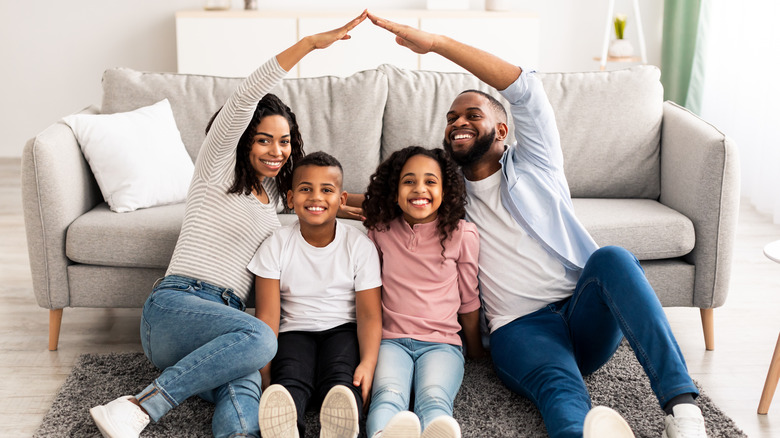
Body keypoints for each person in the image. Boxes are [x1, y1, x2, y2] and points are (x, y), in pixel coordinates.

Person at [367, 12, 708, 438]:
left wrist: (436, 43)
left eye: (471, 114)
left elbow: (524, 87)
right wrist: (333, 201)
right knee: (562, 392)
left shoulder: (537, 162)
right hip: (520, 328)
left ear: (503, 130)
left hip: (582, 309)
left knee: (614, 259)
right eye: (451, 119)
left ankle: (682, 410)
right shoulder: (444, 197)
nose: (458, 123)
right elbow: (396, 204)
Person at [88, 12, 368, 438]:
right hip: (175, 309)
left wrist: (409, 203)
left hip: (227, 329)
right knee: (263, 340)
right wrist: (309, 44)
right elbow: (245, 97)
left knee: (244, 392)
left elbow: (331, 202)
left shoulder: (276, 197)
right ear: (242, 140)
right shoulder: (216, 166)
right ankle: (139, 407)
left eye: (285, 140)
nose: (277, 150)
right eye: (264, 139)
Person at [250, 151, 383, 438]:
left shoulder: (359, 246)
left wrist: (369, 363)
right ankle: (284, 427)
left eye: (327, 190)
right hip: (293, 331)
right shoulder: (277, 244)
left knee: (342, 381)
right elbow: (268, 314)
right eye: (305, 189)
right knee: (289, 380)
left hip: (343, 330)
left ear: (342, 200)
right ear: (290, 198)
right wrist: (263, 368)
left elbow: (370, 314)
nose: (316, 197)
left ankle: (341, 429)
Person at [361, 146, 484, 438]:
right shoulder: (380, 231)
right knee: (388, 396)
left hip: (442, 344)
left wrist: (476, 350)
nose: (420, 189)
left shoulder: (462, 234)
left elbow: (468, 300)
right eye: (408, 181)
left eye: (430, 181)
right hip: (391, 342)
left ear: (445, 190)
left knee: (434, 398)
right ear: (394, 190)